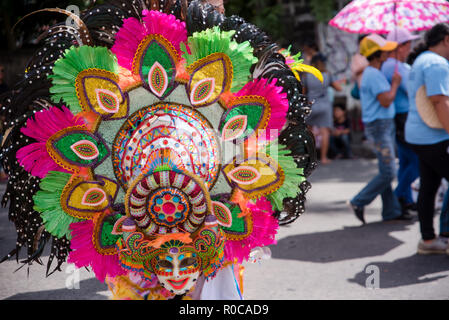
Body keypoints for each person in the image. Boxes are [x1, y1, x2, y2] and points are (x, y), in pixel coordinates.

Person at [348, 34, 412, 224]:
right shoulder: (373, 74)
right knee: (388, 172)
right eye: (385, 50)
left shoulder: (374, 72)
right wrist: (395, 85)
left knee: (386, 169)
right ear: (377, 54)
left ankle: (391, 210)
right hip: (379, 126)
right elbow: (385, 100)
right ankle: (359, 201)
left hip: (383, 125)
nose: (389, 52)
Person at [404, 23, 449, 254]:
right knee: (430, 186)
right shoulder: (436, 63)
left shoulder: (422, 59)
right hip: (433, 136)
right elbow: (439, 101)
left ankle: (429, 241)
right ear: (446, 40)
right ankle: (438, 237)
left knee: (429, 186)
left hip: (418, 134)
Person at [381, 27, 420, 216]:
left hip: (406, 117)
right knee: (417, 162)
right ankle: (398, 197)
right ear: (400, 46)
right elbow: (411, 88)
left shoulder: (400, 65)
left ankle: (405, 199)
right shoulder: (391, 66)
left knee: (406, 161)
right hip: (403, 118)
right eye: (408, 44)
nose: (411, 48)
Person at [303, 53, 343, 164]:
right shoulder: (327, 75)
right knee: (324, 131)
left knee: (310, 131)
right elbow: (339, 88)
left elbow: (303, 92)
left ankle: (311, 158)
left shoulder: (307, 76)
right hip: (325, 106)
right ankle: (324, 158)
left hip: (311, 104)